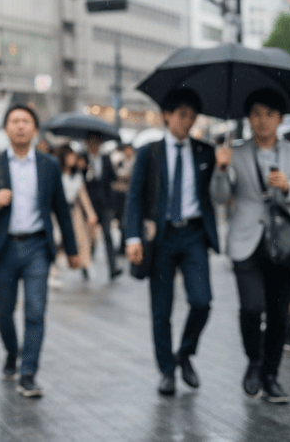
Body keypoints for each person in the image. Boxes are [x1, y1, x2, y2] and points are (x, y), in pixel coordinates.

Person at [0, 105, 80, 398]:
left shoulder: (48, 165)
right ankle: (11, 352)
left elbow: (61, 210)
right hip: (4, 247)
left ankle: (28, 372)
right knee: (3, 311)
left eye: (26, 121)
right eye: (14, 121)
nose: (20, 126)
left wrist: (72, 250)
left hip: (37, 247)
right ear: (6, 128)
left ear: (34, 129)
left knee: (36, 310)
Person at [125, 88, 218, 397]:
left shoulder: (206, 152)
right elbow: (135, 196)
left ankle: (185, 353)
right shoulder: (149, 152)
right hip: (161, 238)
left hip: (193, 235)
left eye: (192, 116)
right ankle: (167, 370)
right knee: (161, 309)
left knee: (202, 301)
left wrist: (223, 168)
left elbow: (216, 195)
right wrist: (132, 236)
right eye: (182, 115)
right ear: (166, 116)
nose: (188, 122)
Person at [210, 89, 290, 403]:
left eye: (269, 114)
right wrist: (220, 169)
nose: (262, 120)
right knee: (252, 307)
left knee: (278, 314)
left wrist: (288, 186)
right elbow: (219, 198)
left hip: (285, 243)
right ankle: (254, 361)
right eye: (256, 113)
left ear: (280, 119)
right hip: (246, 241)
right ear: (248, 118)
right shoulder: (236, 152)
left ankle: (271, 376)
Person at [83, 132, 123, 280]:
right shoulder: (83, 159)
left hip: (105, 203)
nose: (94, 145)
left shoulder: (106, 158)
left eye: (96, 142)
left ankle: (113, 268)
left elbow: (113, 177)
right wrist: (86, 169)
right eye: (91, 142)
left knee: (107, 236)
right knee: (90, 238)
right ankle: (86, 265)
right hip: (89, 205)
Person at [56, 144, 99, 281]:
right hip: (57, 211)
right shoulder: (56, 173)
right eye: (70, 157)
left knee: (81, 240)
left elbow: (83, 196)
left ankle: (85, 265)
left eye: (74, 157)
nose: (73, 159)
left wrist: (91, 213)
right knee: (56, 240)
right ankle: (53, 270)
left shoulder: (78, 176)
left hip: (74, 211)